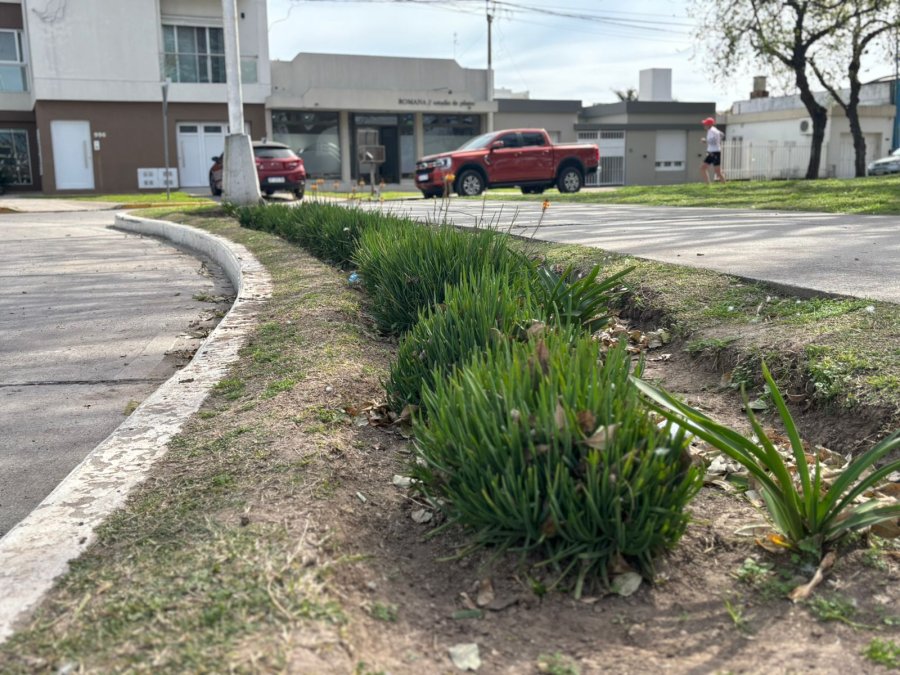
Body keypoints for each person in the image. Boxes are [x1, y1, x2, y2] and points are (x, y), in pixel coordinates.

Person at [700, 117, 726, 183]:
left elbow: (713, 141)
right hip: (714, 152)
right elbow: (722, 135)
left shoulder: (712, 131)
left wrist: (705, 141)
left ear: (709, 125)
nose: (704, 125)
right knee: (704, 168)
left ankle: (709, 185)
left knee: (716, 171)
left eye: (705, 124)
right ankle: (708, 185)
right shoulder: (714, 130)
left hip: (714, 153)